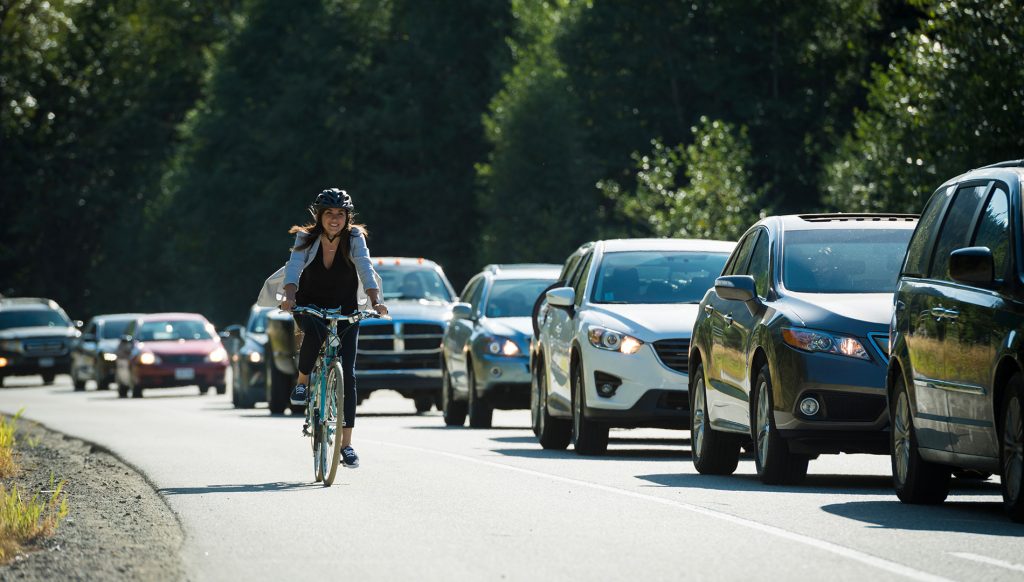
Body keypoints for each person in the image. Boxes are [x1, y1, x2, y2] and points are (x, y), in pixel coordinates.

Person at [278, 188, 388, 468]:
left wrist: (376, 301)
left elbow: (365, 266)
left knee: (348, 375)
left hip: (346, 307)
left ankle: (347, 446)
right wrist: (289, 297)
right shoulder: (307, 237)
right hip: (310, 304)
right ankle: (303, 383)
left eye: (341, 214)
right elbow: (294, 268)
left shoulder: (354, 238)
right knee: (313, 335)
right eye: (329, 213)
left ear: (348, 217)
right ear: (320, 216)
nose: (335, 219)